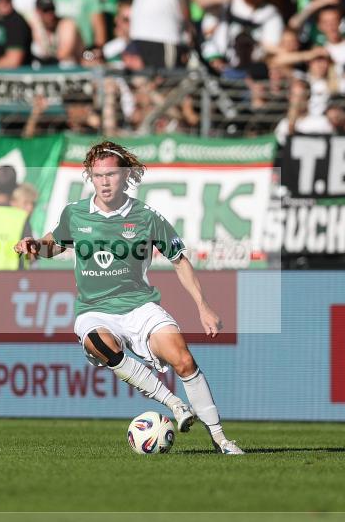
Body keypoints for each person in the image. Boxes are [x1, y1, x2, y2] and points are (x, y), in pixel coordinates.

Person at [14, 141, 244, 455]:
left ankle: (221, 440)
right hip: (95, 309)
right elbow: (54, 244)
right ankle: (174, 404)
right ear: (90, 178)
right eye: (98, 176)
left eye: (111, 175)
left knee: (184, 360)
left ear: (126, 176)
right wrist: (34, 245)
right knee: (98, 340)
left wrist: (203, 306)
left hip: (140, 306)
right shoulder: (76, 213)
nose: (104, 182)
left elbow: (179, 259)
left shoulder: (147, 217)